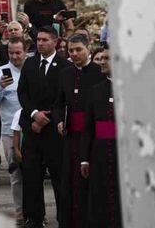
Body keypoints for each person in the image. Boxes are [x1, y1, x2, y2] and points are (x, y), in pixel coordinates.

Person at [17, 26, 71, 228]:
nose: (40, 43)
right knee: (31, 176)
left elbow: (63, 97)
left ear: (55, 42)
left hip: (54, 131)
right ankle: (34, 218)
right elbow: (22, 93)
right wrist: (34, 114)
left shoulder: (65, 66)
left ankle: (64, 218)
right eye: (38, 39)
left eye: (44, 40)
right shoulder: (30, 63)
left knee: (59, 177)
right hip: (32, 128)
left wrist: (47, 117)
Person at [53, 34, 105, 228]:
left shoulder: (99, 72)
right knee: (70, 182)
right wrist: (59, 120)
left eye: (78, 50)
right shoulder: (65, 74)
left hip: (94, 138)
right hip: (71, 137)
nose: (74, 54)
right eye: (71, 50)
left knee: (90, 182)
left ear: (88, 49)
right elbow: (58, 104)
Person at [79, 47, 121, 227]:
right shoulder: (96, 90)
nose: (102, 62)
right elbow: (88, 128)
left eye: (107, 58)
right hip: (100, 154)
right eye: (101, 58)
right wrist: (84, 159)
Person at [0, 37, 27, 224]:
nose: (14, 56)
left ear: (25, 52)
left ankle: (36, 212)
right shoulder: (1, 72)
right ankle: (20, 213)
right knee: (16, 174)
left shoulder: (32, 69)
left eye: (18, 52)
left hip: (32, 129)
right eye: (11, 53)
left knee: (33, 174)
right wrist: (0, 87)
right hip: (9, 131)